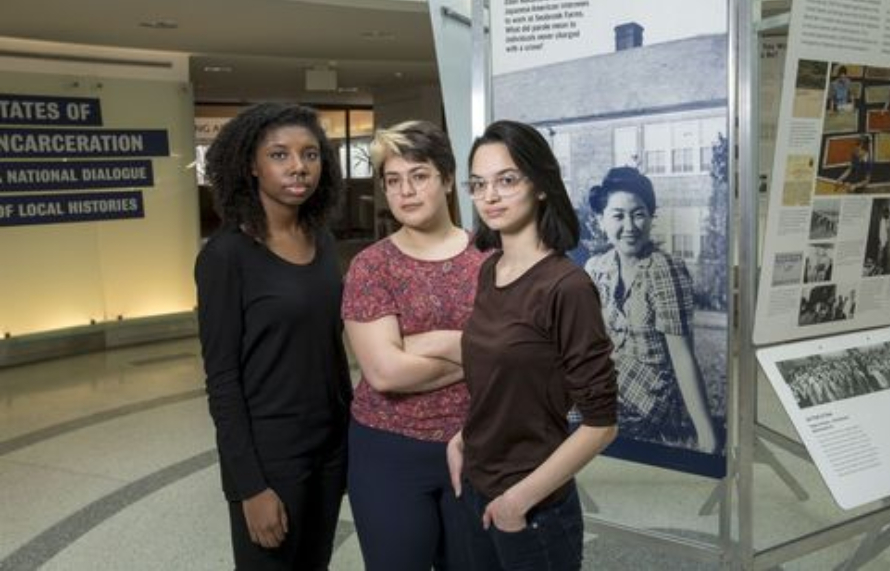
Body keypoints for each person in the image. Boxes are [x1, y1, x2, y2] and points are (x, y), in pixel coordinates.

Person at [448, 120, 618, 571]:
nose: (490, 196)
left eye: (507, 180)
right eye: (479, 184)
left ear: (541, 185)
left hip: (531, 505)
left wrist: (516, 502)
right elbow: (507, 380)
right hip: (477, 483)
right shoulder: (491, 270)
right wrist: (462, 440)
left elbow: (601, 424)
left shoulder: (567, 286)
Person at [195, 103, 352, 570]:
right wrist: (249, 486)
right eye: (279, 155)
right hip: (270, 456)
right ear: (251, 165)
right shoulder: (226, 257)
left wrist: (346, 440)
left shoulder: (321, 240)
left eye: (310, 154)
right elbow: (221, 380)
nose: (298, 167)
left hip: (329, 447)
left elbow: (329, 347)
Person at [341, 120, 491, 571]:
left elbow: (525, 354)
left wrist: (424, 344)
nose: (405, 191)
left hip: (479, 442)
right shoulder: (370, 267)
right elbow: (385, 373)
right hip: (389, 451)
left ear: (447, 179)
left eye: (419, 175)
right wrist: (479, 351)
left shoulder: (492, 257)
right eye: (392, 180)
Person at [584, 167, 718, 452]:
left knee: (573, 418)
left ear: (650, 216)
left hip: (652, 397)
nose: (630, 226)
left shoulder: (664, 270)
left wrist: (706, 436)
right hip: (608, 382)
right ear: (601, 221)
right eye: (618, 215)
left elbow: (682, 355)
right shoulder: (597, 268)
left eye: (639, 214)